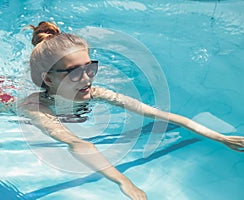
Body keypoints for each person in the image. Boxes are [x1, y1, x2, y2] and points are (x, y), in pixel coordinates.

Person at [19, 21, 244, 200]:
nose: (87, 78)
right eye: (75, 73)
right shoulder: (36, 108)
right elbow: (78, 144)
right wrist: (123, 181)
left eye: (90, 68)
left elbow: (158, 114)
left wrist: (219, 137)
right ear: (48, 78)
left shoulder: (96, 92)